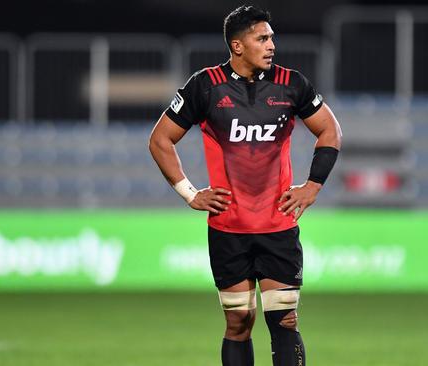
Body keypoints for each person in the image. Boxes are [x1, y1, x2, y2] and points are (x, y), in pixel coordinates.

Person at [148, 5, 341, 366]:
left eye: (272, 38)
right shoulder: (204, 86)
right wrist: (190, 193)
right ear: (237, 46)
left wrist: (313, 186)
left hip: (277, 225)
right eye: (262, 38)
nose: (272, 45)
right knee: (239, 322)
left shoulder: (292, 84)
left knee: (284, 319)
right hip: (228, 229)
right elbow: (160, 139)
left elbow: (330, 130)